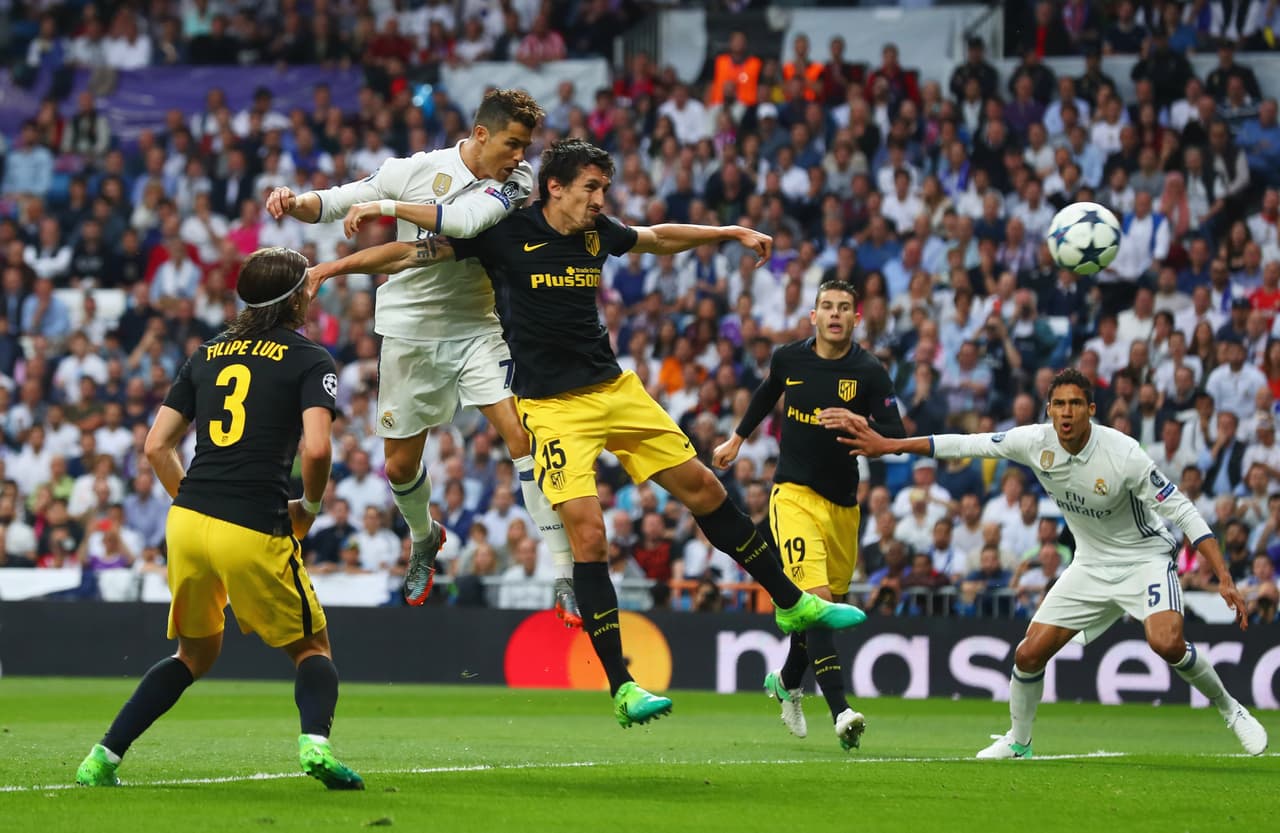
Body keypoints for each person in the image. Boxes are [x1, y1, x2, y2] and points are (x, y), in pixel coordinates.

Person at [310, 139, 866, 727]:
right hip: (551, 410)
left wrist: (728, 232)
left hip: (614, 391)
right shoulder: (504, 232)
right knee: (589, 536)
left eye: (604, 189)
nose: (602, 200)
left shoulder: (598, 233)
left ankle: (789, 602)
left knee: (705, 489)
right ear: (555, 187)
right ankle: (624, 688)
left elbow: (656, 236)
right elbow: (410, 254)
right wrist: (335, 266)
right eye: (592, 188)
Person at [265, 89, 581, 625]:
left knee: (523, 438)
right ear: (481, 134)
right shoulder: (411, 170)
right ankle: (424, 537)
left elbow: (460, 224)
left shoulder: (516, 181)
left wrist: (382, 208)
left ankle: (564, 574)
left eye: (525, 145)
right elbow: (339, 200)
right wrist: (295, 202)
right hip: (409, 333)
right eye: (513, 142)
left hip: (477, 330)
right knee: (400, 465)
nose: (521, 154)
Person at [836, 367, 1268, 759]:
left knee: (1167, 643)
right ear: (1049, 409)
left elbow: (1184, 512)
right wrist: (892, 445)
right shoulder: (1035, 441)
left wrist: (1225, 576)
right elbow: (966, 444)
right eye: (1059, 404)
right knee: (1028, 655)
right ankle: (1019, 741)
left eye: (1075, 404)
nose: (1066, 412)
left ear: (1091, 410)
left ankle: (1232, 710)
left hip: (1144, 559)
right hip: (1090, 565)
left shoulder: (1124, 453)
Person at [75, 247, 363, 789]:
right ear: (294, 297)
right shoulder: (310, 359)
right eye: (307, 285)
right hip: (253, 524)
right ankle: (316, 745)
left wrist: (196, 500)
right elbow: (318, 450)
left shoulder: (207, 353)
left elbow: (156, 447)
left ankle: (103, 758)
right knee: (310, 647)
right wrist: (311, 506)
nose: (311, 292)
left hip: (187, 521)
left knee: (193, 653)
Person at [712, 279, 904, 751]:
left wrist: (861, 425)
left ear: (856, 318)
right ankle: (842, 712)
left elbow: (895, 433)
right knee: (816, 601)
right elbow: (765, 392)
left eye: (844, 307)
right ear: (812, 316)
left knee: (820, 611)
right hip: (792, 496)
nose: (835, 314)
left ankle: (786, 681)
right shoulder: (789, 358)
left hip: (843, 506)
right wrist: (737, 438)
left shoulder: (869, 371)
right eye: (827, 307)